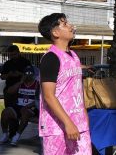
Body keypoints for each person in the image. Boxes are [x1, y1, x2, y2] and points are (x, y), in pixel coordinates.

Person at [37, 13, 90, 154]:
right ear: (55, 32)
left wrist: (84, 116)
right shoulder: (50, 58)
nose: (71, 26)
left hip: (79, 124)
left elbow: (77, 89)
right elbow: (49, 96)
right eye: (65, 24)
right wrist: (68, 123)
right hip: (57, 127)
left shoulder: (74, 56)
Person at [0, 65, 40, 146]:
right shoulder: (20, 83)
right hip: (19, 105)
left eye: (30, 73)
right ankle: (5, 135)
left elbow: (39, 99)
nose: (28, 75)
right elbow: (9, 91)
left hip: (32, 107)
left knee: (25, 112)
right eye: (26, 73)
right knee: (5, 112)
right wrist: (21, 82)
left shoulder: (37, 84)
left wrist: (28, 106)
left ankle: (16, 136)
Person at [0, 44, 31, 108]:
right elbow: (2, 77)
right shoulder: (7, 64)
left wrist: (20, 74)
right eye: (11, 55)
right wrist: (9, 74)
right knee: (9, 109)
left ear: (18, 53)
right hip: (9, 89)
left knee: (22, 109)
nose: (13, 56)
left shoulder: (25, 62)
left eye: (14, 54)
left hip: (23, 89)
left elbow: (31, 75)